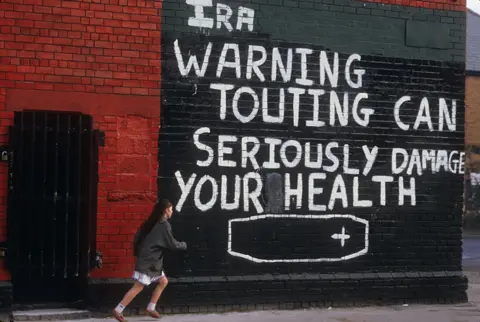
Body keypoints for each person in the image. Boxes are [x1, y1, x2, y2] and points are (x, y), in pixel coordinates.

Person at [113, 199, 187, 322]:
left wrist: (137, 252)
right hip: (150, 262)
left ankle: (151, 308)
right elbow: (172, 244)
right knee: (138, 286)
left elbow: (137, 237)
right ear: (166, 210)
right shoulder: (164, 225)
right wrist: (184, 245)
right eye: (171, 209)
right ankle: (118, 310)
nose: (172, 211)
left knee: (163, 281)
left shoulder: (151, 222)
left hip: (150, 261)